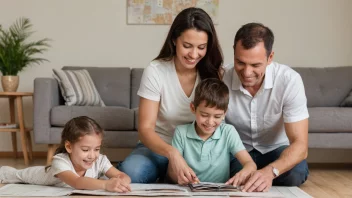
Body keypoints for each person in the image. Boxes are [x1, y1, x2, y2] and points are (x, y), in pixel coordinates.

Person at [118, 7, 223, 183]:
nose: (194, 54)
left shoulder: (213, 73)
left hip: (197, 150)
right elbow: (145, 130)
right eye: (187, 46)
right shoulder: (156, 70)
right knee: (132, 172)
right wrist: (173, 153)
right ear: (174, 40)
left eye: (201, 47)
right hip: (157, 148)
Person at [223, 23, 309, 192]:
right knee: (229, 174)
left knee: (296, 173)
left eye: (255, 65)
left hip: (276, 149)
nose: (247, 72)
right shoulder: (220, 77)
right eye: (240, 62)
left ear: (270, 57)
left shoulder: (289, 80)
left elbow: (300, 145)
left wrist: (270, 172)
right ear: (234, 52)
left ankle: (262, 178)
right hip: (238, 151)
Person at [0, 116, 131, 193]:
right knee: (16, 175)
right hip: (36, 175)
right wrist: (105, 184)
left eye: (96, 149)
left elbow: (122, 175)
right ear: (68, 146)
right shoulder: (60, 161)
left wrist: (121, 181)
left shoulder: (100, 160)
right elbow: (77, 182)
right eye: (85, 150)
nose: (92, 155)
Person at [168, 78, 256, 186]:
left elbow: (250, 164)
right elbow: (171, 173)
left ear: (225, 113)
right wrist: (179, 176)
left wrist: (246, 170)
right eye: (204, 115)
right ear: (193, 108)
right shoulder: (181, 132)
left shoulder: (228, 132)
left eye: (217, 116)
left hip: (219, 193)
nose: (210, 122)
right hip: (189, 190)